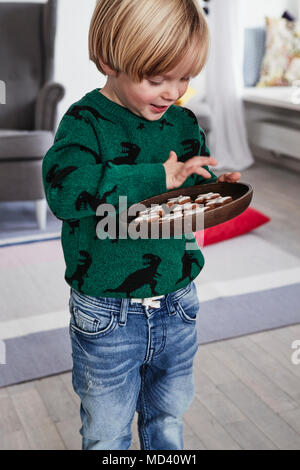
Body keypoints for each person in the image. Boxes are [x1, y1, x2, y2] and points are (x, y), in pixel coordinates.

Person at [42, 0, 241, 450]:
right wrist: (155, 176)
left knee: (167, 420)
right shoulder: (85, 122)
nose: (173, 92)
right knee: (106, 432)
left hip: (177, 300)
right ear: (109, 61)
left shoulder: (184, 122)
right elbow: (65, 193)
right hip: (107, 312)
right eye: (157, 79)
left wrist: (214, 179)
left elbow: (189, 180)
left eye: (185, 78)